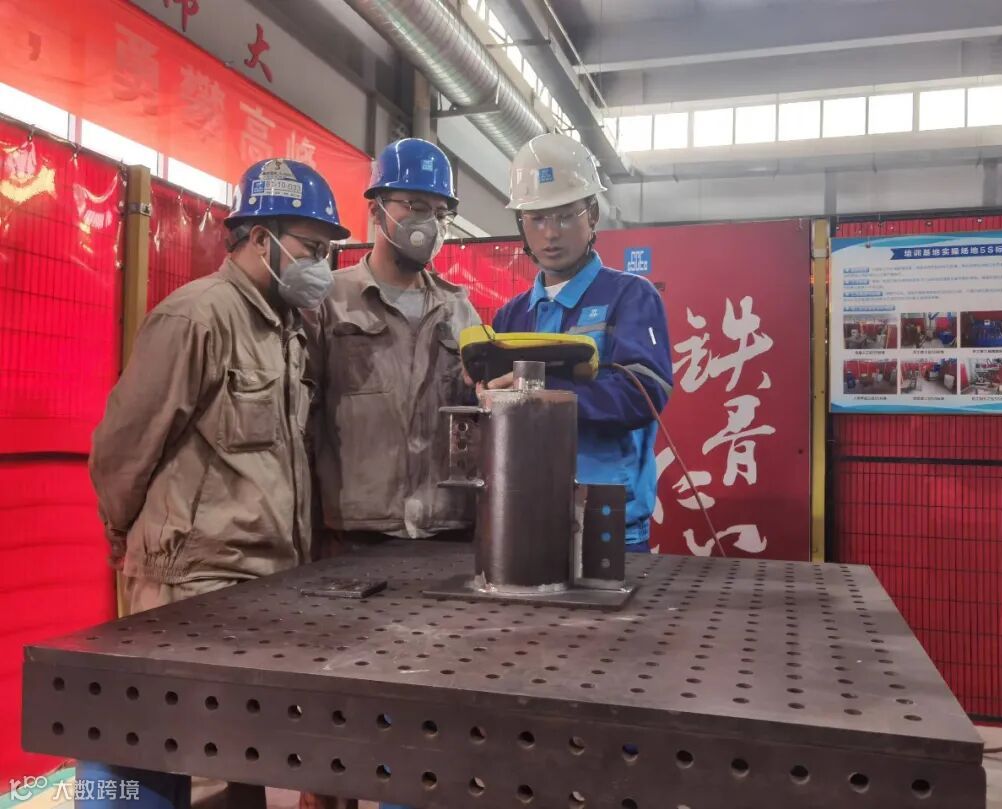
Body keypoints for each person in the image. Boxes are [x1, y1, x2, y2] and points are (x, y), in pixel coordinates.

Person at [81, 158, 349, 809]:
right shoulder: (197, 319)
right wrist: (124, 534)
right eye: (313, 249)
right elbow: (122, 446)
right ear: (260, 238)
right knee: (184, 760)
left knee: (239, 761)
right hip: (191, 588)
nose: (322, 267)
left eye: (328, 253)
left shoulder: (287, 331)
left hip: (261, 587)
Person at [489, 132, 673, 552]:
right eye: (537, 218)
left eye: (565, 216)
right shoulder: (511, 316)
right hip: (522, 513)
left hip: (606, 519)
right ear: (521, 225)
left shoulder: (630, 297)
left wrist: (541, 394)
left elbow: (644, 393)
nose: (551, 233)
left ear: (592, 215)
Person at [306, 138, 479, 557]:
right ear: (376, 209)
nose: (429, 223)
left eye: (439, 212)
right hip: (354, 533)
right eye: (415, 206)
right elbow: (300, 420)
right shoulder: (329, 301)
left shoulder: (458, 309)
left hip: (447, 529)